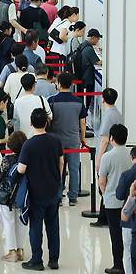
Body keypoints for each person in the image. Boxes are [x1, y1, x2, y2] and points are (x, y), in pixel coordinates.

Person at [18, 108, 64, 271]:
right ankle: (54, 260)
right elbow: (61, 163)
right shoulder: (55, 140)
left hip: (36, 192)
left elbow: (22, 169)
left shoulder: (28, 144)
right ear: (46, 122)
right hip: (53, 189)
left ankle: (37, 260)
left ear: (31, 123)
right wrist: (58, 181)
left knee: (36, 227)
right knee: (53, 226)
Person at [48, 72, 87, 206]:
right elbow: (82, 123)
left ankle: (58, 195)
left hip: (56, 141)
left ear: (58, 84)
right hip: (73, 139)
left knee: (57, 168)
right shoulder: (78, 102)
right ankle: (73, 196)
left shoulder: (51, 100)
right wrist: (83, 139)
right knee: (74, 168)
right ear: (71, 85)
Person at [99, 124, 132, 274]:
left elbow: (102, 180)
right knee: (130, 234)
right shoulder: (130, 155)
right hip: (129, 201)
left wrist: (105, 193)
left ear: (111, 138)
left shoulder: (107, 156)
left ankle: (118, 265)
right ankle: (129, 263)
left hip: (112, 202)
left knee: (116, 235)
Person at [0, 131, 28, 263]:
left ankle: (12, 251)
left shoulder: (7, 159)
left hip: (7, 196)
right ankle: (21, 250)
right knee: (21, 222)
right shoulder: (28, 159)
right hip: (23, 195)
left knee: (9, 223)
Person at [12, 73, 51, 138]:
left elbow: (16, 121)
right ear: (34, 85)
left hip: (23, 139)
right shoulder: (41, 99)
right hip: (40, 136)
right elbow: (50, 116)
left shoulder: (17, 102)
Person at [78, 28, 103, 108]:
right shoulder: (89, 49)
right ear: (93, 37)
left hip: (83, 75)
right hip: (87, 78)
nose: (98, 41)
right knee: (87, 98)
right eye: (97, 39)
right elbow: (98, 62)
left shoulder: (83, 45)